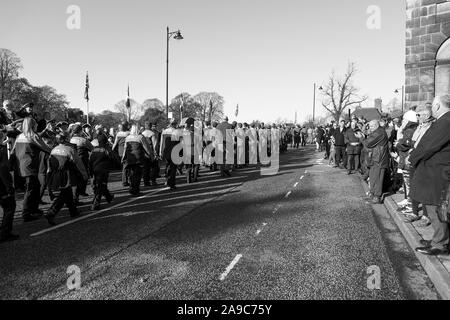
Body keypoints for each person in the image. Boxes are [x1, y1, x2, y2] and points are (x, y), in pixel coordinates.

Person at [411, 95, 450, 256]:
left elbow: (428, 146)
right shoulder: (443, 120)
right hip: (435, 170)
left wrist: (412, 157)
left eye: (433, 106)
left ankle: (440, 244)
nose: (431, 108)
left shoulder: (445, 121)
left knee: (436, 208)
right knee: (433, 206)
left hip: (437, 171)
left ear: (438, 106)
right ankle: (438, 239)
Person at [44, 133, 88, 226]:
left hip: (56, 174)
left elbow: (49, 165)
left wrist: (49, 176)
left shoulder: (53, 150)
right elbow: (78, 163)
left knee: (67, 193)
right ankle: (51, 212)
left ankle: (73, 211)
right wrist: (84, 174)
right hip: (66, 174)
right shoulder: (70, 149)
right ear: (66, 140)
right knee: (64, 194)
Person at [14, 117, 52, 222]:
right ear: (32, 125)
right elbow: (46, 148)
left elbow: (13, 151)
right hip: (30, 166)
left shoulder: (19, 136)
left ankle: (34, 209)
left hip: (21, 166)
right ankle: (26, 213)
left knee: (35, 186)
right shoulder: (33, 136)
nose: (36, 125)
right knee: (30, 189)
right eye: (35, 124)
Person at [122, 124, 154, 196]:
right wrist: (151, 155)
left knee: (131, 174)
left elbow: (125, 148)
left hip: (129, 158)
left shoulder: (127, 138)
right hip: (138, 158)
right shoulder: (140, 137)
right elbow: (147, 148)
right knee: (137, 175)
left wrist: (123, 157)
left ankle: (131, 188)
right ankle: (135, 190)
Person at [363, 120, 389, 204]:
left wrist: (361, 137)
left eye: (371, 126)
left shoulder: (378, 133)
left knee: (377, 179)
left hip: (379, 159)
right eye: (369, 126)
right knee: (373, 178)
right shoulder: (378, 131)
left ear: (376, 125)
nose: (370, 128)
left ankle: (377, 197)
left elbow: (368, 143)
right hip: (376, 158)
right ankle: (373, 195)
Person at [0, 130, 18, 243]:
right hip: (1, 185)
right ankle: (5, 233)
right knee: (9, 207)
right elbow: (2, 169)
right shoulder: (1, 150)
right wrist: (9, 186)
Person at [89, 133, 115, 210]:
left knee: (102, 185)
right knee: (101, 186)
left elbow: (90, 161)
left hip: (94, 170)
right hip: (103, 170)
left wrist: (90, 171)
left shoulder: (94, 149)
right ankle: (95, 204)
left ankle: (109, 197)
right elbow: (112, 159)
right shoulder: (106, 149)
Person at [70, 124, 94, 202]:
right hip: (82, 160)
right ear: (81, 131)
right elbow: (92, 149)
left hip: (72, 160)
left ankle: (75, 195)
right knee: (84, 176)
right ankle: (80, 193)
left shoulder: (69, 139)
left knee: (74, 178)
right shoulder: (83, 140)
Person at [160, 119, 181, 190]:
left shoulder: (164, 131)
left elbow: (162, 143)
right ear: (174, 124)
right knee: (173, 168)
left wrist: (161, 152)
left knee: (167, 166)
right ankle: (171, 183)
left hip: (166, 152)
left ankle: (167, 180)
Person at [113, 122, 130, 187]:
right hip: (126, 150)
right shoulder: (128, 133)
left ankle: (126, 179)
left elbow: (115, 143)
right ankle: (125, 181)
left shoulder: (118, 134)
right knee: (125, 166)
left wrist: (112, 150)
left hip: (120, 151)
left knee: (124, 165)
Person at [141, 122, 158, 186]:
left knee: (145, 168)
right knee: (154, 167)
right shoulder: (152, 134)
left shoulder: (142, 134)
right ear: (150, 126)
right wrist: (155, 153)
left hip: (144, 153)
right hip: (151, 152)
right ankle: (153, 181)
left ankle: (146, 182)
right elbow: (155, 144)